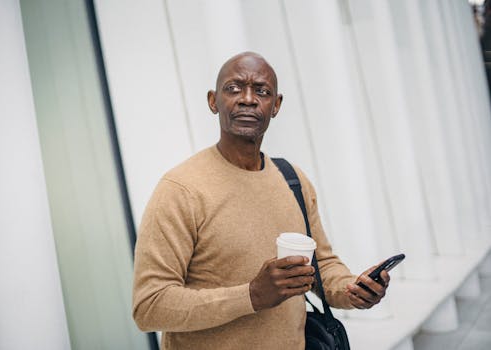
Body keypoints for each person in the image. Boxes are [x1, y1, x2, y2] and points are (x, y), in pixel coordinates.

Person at [132, 52, 390, 349]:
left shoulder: (292, 179)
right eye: (234, 88)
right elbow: (149, 306)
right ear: (213, 101)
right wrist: (252, 295)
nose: (248, 99)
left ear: (276, 106)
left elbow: (322, 265)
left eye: (262, 91)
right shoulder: (180, 189)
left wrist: (352, 290)